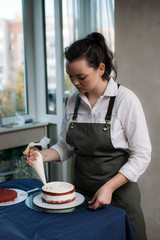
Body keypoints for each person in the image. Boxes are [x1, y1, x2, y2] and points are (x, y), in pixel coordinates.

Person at [25, 32, 151, 240]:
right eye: (70, 76)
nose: (74, 82)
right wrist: (41, 155)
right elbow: (67, 146)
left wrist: (109, 187)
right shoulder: (73, 102)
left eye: (81, 76)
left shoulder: (125, 100)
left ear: (101, 68)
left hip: (119, 198)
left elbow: (142, 155)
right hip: (81, 196)